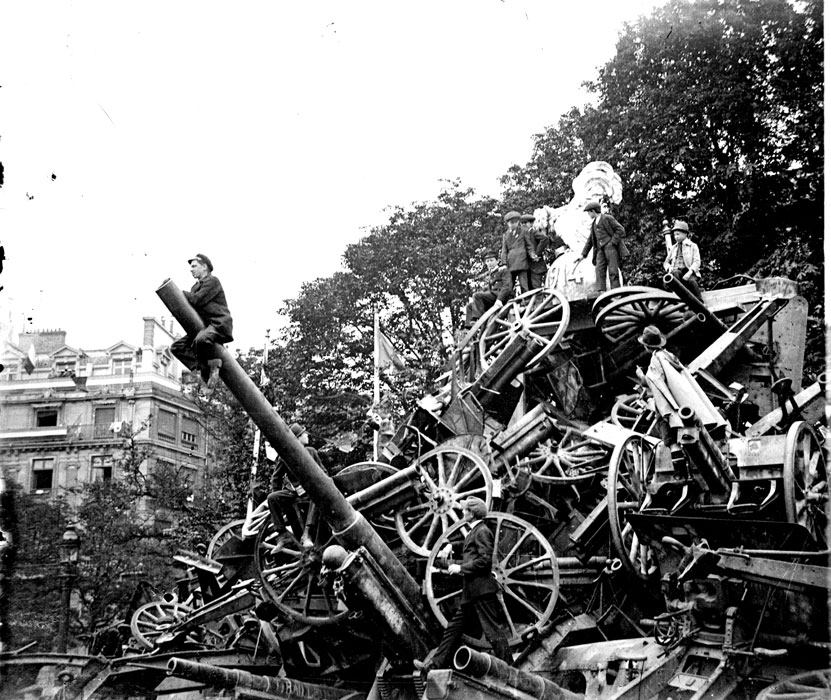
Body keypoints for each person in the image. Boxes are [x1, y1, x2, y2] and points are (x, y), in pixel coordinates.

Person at [422, 497, 511, 670]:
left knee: (493, 633)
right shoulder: (475, 531)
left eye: (465, 510)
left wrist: (460, 568)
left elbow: (485, 561)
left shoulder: (482, 531)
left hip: (481, 590)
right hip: (472, 592)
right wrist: (450, 546)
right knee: (453, 629)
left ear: (472, 513)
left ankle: (511, 669)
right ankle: (433, 665)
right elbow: (467, 545)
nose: (462, 512)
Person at [171, 254, 233, 388]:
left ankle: (213, 365)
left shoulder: (212, 281)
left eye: (194, 266)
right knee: (177, 347)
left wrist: (178, 293)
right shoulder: (195, 287)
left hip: (218, 323)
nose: (191, 269)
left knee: (201, 340)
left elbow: (196, 300)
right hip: (205, 325)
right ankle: (201, 369)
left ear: (204, 267)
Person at [267, 422, 326, 540]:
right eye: (304, 434)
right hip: (295, 493)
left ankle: (308, 533)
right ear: (298, 438)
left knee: (316, 493)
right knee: (272, 498)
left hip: (313, 492)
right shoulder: (285, 456)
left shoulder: (311, 452)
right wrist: (281, 501)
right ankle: (282, 534)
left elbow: (324, 472)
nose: (307, 436)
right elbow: (276, 478)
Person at [575, 201, 628, 291]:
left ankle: (616, 292)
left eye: (588, 212)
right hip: (600, 250)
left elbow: (620, 230)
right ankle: (601, 293)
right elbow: (590, 241)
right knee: (599, 270)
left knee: (613, 271)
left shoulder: (607, 218)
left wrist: (612, 242)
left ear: (593, 211)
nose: (588, 214)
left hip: (610, 248)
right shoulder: (593, 224)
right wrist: (582, 255)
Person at [464, 251, 512, 328]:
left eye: (491, 260)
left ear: (497, 261)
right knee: (469, 306)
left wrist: (500, 299)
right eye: (487, 261)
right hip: (493, 296)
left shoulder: (503, 270)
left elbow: (507, 286)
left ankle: (478, 319)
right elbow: (489, 290)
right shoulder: (491, 274)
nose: (489, 263)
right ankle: (470, 326)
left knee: (476, 295)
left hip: (501, 296)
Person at [663, 220, 703, 300]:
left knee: (692, 282)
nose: (676, 237)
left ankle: (700, 302)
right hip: (678, 273)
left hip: (688, 271)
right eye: (674, 235)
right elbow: (666, 262)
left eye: (678, 234)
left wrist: (690, 272)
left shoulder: (692, 246)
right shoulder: (674, 248)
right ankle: (679, 298)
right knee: (675, 273)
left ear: (685, 234)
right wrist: (669, 268)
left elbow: (697, 262)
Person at [499, 211, 534, 294]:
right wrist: (503, 263)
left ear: (518, 222)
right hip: (510, 263)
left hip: (522, 261)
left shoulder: (523, 231)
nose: (512, 225)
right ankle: (509, 303)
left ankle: (526, 302)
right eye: (510, 223)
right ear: (507, 223)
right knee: (509, 285)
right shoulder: (506, 235)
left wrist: (532, 254)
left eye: (514, 222)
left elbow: (529, 245)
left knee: (524, 284)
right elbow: (504, 250)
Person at [524, 214, 548, 290]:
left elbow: (545, 238)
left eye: (525, 223)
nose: (523, 225)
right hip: (527, 268)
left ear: (530, 224)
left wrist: (536, 254)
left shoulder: (533, 232)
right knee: (528, 290)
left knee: (536, 289)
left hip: (536, 267)